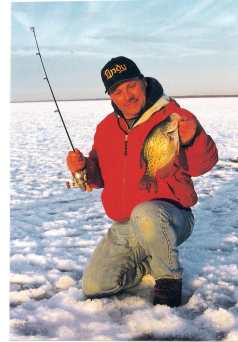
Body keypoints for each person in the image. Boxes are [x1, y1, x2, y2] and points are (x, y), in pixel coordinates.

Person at [66, 56, 218, 307]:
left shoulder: (174, 116)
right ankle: (151, 259)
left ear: (144, 82)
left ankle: (168, 278)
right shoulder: (106, 128)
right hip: (128, 224)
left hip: (171, 216)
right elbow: (99, 176)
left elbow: (204, 164)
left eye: (131, 85)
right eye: (118, 91)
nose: (127, 95)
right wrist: (83, 168)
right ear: (111, 97)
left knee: (146, 213)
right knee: (95, 286)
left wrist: (193, 139)